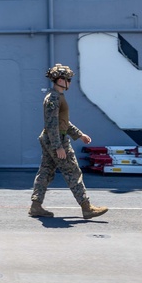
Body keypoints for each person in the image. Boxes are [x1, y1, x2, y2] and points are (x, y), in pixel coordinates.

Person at [29, 64, 108, 220]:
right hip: (56, 139)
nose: (70, 82)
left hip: (53, 138)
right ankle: (87, 208)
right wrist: (58, 146)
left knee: (45, 171)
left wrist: (79, 135)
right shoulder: (53, 98)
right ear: (60, 80)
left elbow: (63, 122)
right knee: (72, 171)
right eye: (68, 79)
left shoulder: (58, 97)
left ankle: (36, 206)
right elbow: (52, 124)